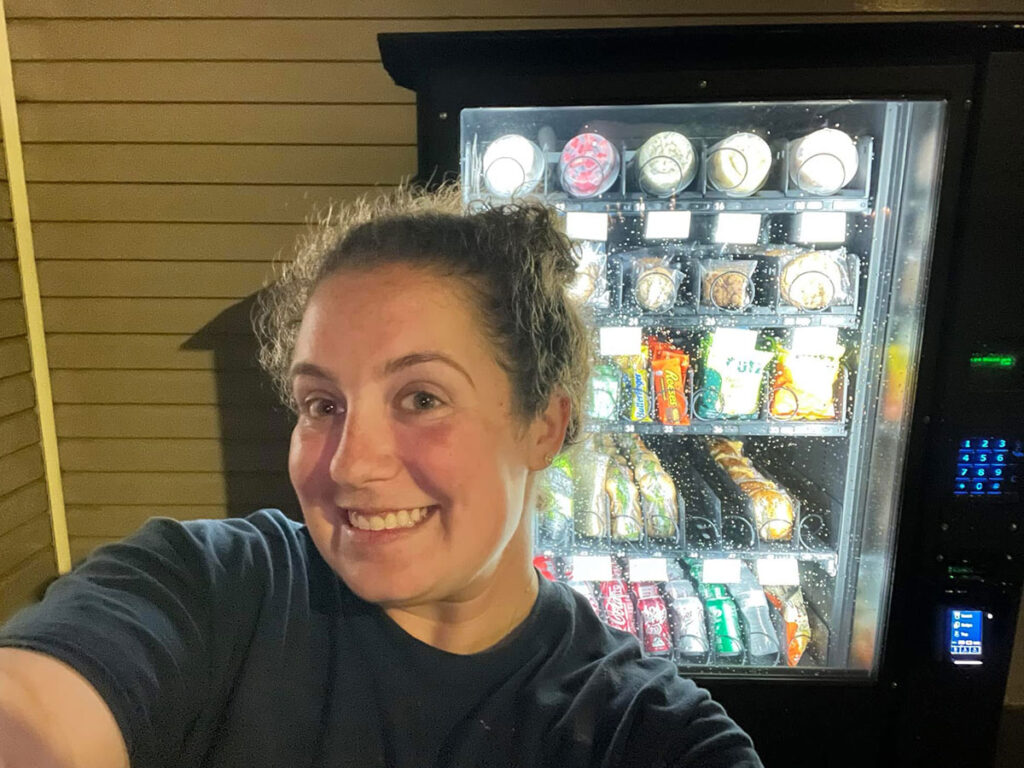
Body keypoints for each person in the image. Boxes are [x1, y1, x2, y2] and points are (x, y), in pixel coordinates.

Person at [0, 186, 763, 768]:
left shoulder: (645, 731)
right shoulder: (208, 588)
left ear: (545, 427)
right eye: (321, 403)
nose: (351, 464)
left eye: (422, 398)